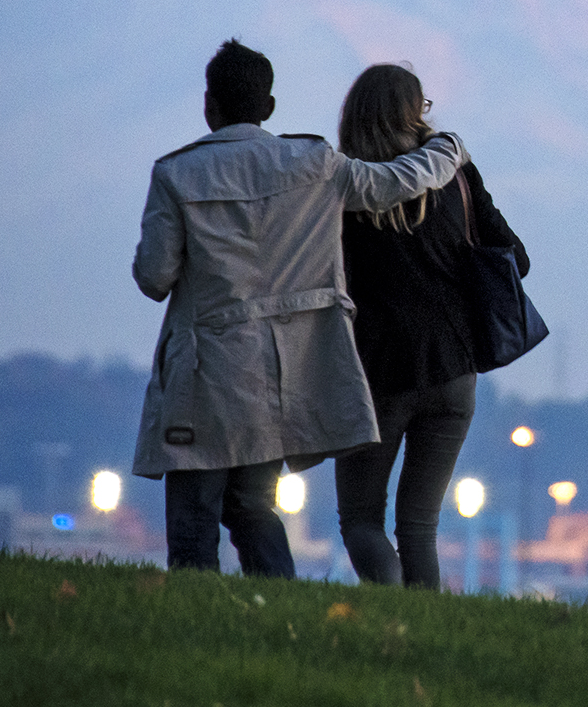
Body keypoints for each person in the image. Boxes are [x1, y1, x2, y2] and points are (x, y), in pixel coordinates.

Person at [131, 40, 466, 576]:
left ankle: (196, 625)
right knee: (253, 507)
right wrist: (446, 150)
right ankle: (278, 606)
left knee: (195, 514)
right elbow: (393, 184)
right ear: (267, 107)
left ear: (208, 104)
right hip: (278, 375)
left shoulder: (177, 174)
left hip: (204, 374)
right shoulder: (315, 166)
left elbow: (154, 277)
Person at [334, 63, 529, 589]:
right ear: (415, 111)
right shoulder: (455, 174)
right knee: (419, 526)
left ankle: (392, 610)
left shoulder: (343, 185)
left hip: (377, 375)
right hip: (453, 371)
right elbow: (516, 258)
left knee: (360, 519)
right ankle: (423, 628)